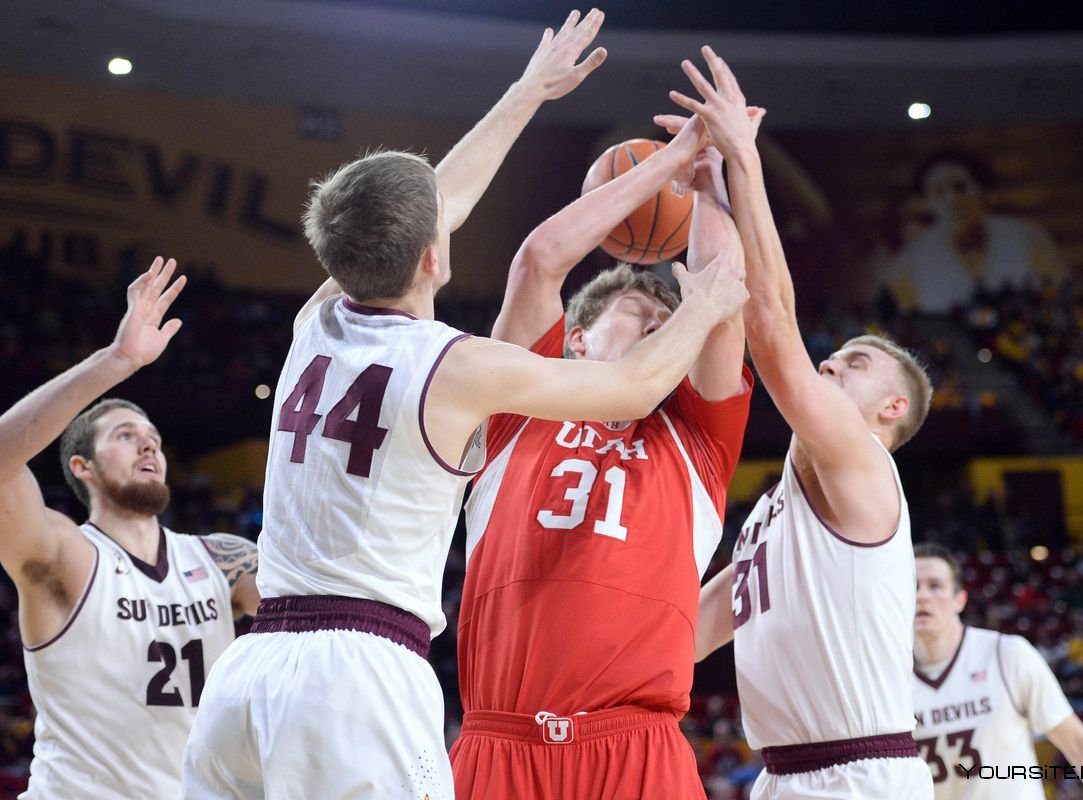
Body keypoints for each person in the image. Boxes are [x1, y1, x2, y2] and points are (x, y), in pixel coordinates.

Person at [179, 10, 750, 800]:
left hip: (255, 667)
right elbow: (625, 376)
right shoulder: (461, 367)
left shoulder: (314, 324)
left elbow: (435, 208)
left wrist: (525, 95)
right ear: (433, 255)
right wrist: (703, 296)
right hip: (365, 673)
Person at [448, 114, 753, 800]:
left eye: (667, 319)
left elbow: (722, 295)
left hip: (637, 745)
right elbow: (538, 262)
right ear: (576, 341)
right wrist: (659, 166)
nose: (657, 321)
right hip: (500, 741)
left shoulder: (699, 438)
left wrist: (707, 183)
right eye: (639, 308)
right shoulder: (516, 407)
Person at [679, 48, 935, 798]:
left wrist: (744, 160)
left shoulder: (863, 464)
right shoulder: (777, 513)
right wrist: (707, 187)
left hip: (860, 775)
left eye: (855, 364)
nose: (831, 364)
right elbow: (701, 624)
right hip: (784, 775)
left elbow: (772, 326)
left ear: (892, 411)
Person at [0, 256, 260, 799]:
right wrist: (118, 359)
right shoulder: (69, 557)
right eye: (126, 435)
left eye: (151, 435)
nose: (148, 442)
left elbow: (315, 612)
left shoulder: (223, 559)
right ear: (83, 467)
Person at [912, 542, 1083, 799]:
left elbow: (1076, 742)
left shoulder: (1007, 654)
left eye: (935, 586)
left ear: (960, 599)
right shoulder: (886, 676)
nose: (922, 596)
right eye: (912, 587)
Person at [881, 151, 1067, 313]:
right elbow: (888, 316)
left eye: (960, 187)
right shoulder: (914, 258)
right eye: (938, 192)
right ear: (926, 203)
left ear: (983, 190)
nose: (952, 200)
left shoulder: (1024, 237)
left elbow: (1065, 296)